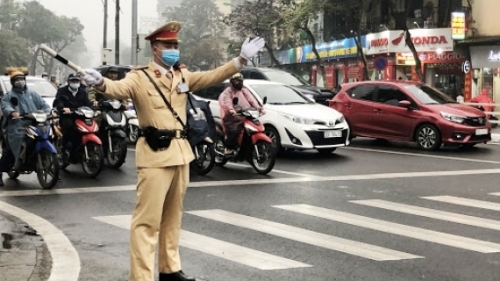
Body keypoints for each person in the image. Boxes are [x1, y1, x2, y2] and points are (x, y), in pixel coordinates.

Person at [82, 21, 265, 281]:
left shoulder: (181, 75)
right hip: (155, 155)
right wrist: (100, 83)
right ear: (155, 48)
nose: (174, 49)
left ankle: (169, 269)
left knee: (172, 217)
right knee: (146, 221)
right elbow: (118, 90)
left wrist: (239, 61)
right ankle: (142, 277)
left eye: (176, 45)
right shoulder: (139, 76)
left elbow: (211, 76)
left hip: (181, 152)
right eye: (168, 45)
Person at [0, 67, 52, 186]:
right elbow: (5, 106)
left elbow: (44, 105)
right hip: (16, 126)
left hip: (34, 123)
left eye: (21, 79)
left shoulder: (33, 94)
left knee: (48, 136)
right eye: (17, 80)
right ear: (13, 82)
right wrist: (12, 112)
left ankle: (51, 167)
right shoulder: (9, 95)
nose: (20, 81)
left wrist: (50, 111)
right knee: (10, 149)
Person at [218, 73, 265, 155]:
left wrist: (259, 108)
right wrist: (231, 109)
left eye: (241, 81)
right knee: (234, 129)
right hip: (230, 115)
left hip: (243, 113)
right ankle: (229, 147)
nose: (239, 83)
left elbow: (251, 100)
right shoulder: (228, 92)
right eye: (237, 81)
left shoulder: (244, 90)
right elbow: (228, 101)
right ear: (232, 82)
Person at [53, 73, 94, 162]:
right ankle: (64, 149)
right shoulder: (62, 91)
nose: (75, 83)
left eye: (77, 81)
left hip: (80, 116)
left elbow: (88, 103)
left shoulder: (83, 92)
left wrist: (95, 109)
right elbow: (58, 101)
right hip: (67, 117)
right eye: (73, 81)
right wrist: (63, 108)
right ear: (68, 81)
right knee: (70, 128)